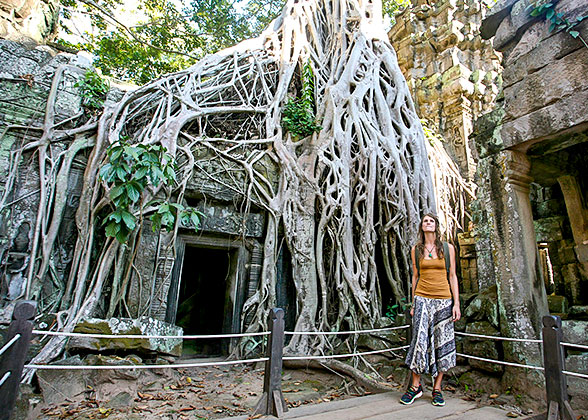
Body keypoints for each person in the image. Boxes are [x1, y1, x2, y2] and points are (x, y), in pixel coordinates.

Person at [400, 213, 460, 407]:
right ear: (421, 226)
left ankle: (437, 389)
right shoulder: (416, 249)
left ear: (436, 226)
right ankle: (415, 387)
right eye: (425, 221)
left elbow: (452, 276)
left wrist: (456, 304)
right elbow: (415, 276)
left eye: (431, 221)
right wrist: (413, 303)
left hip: (443, 299)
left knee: (442, 343)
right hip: (422, 298)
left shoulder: (447, 248)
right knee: (419, 340)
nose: (428, 223)